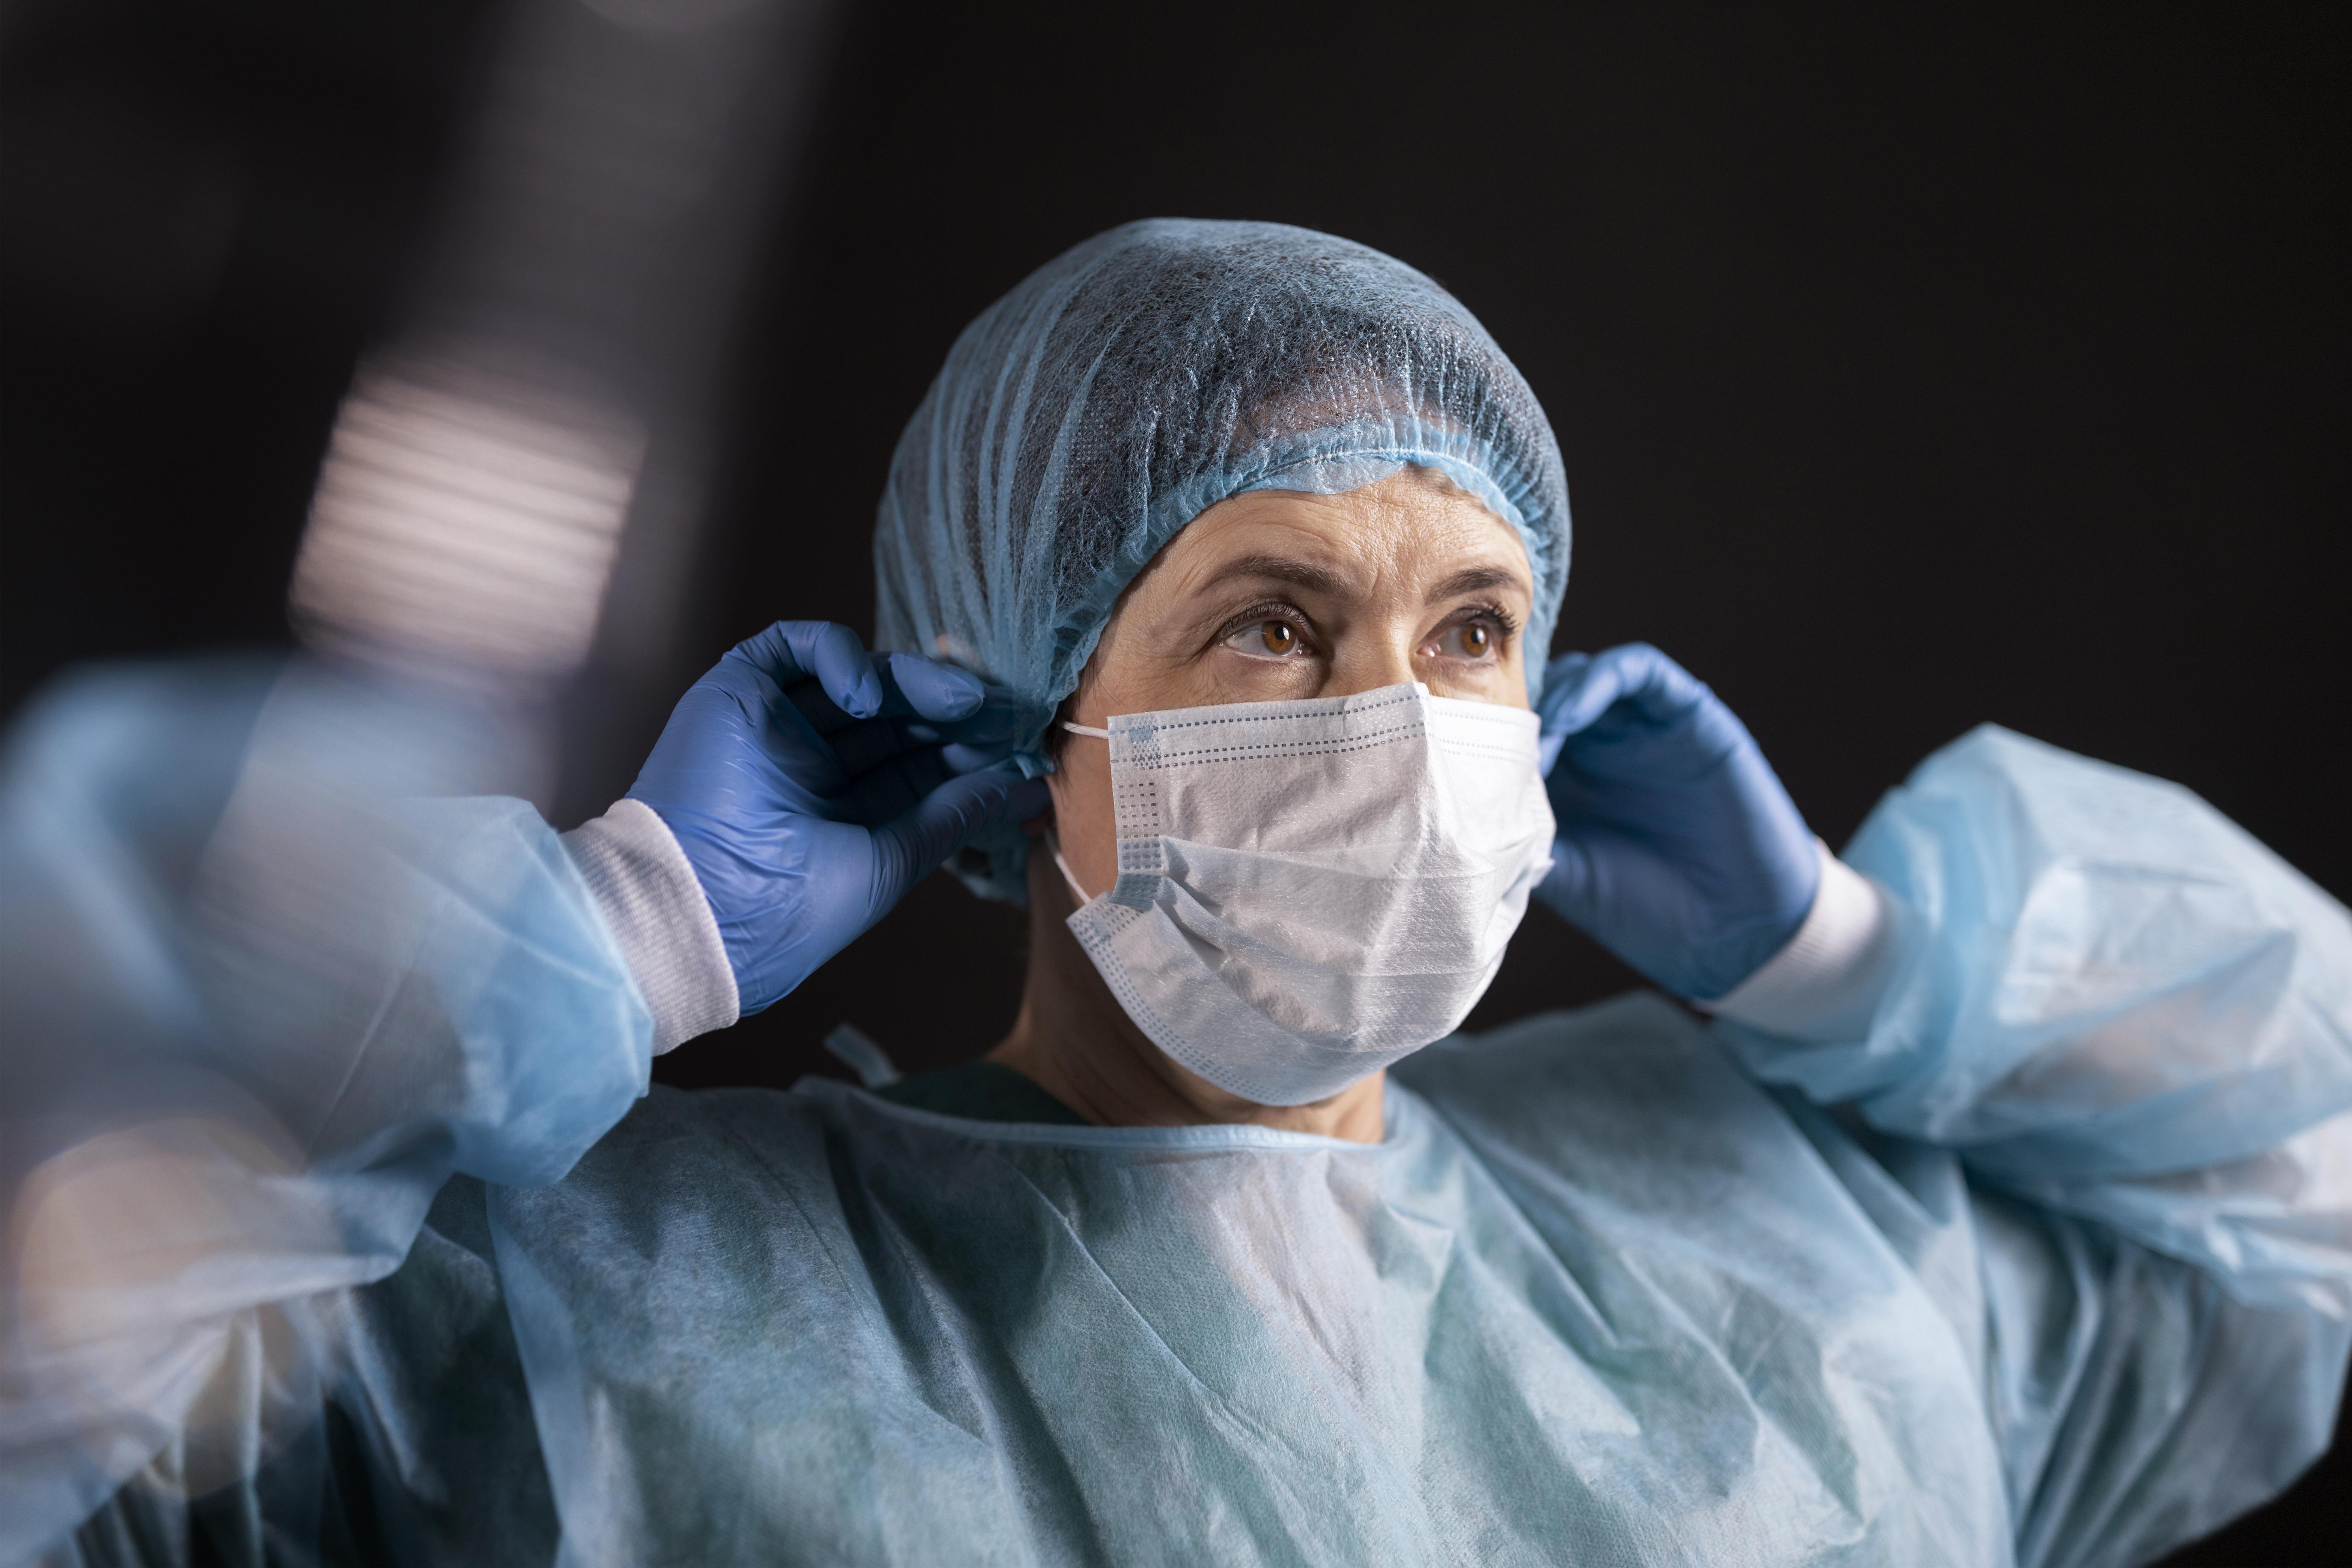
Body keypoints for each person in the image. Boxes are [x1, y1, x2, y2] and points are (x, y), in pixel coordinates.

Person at [6, 220, 2349, 1567]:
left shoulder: (1809, 1259)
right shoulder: (568, 1320)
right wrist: (605, 934)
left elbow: (2309, 1206)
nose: (1400, 730)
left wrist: (1864, 964)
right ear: (1032, 727)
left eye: (1473, 634)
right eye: (1271, 626)